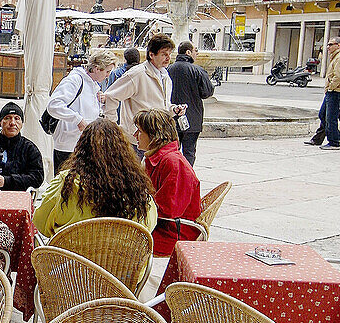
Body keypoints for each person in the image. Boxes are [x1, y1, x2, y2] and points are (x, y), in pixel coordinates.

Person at [34, 119, 157, 238]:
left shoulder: (66, 182)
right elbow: (148, 225)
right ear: (123, 149)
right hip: (121, 257)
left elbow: (40, 221)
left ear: (82, 148)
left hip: (72, 256)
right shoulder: (135, 186)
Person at [134, 109, 200, 259]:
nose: (135, 135)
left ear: (154, 136)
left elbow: (167, 210)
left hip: (171, 234)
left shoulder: (173, 164)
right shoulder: (156, 159)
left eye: (139, 131)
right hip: (161, 226)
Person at [103, 34, 186, 148]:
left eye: (169, 54)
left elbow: (162, 105)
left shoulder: (165, 76)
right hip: (136, 140)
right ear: (151, 54)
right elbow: (111, 96)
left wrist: (173, 109)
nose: (168, 58)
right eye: (164, 54)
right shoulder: (137, 74)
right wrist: (113, 128)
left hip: (157, 139)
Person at [46, 50, 114, 172]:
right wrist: (77, 119)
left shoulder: (93, 84)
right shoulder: (75, 80)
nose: (108, 75)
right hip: (68, 145)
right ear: (97, 68)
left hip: (83, 144)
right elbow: (54, 105)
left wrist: (101, 102)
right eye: (107, 71)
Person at [167, 41, 215, 165]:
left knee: (172, 150)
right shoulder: (198, 70)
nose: (197, 53)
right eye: (195, 50)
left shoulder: (167, 70)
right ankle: (187, 178)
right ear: (188, 52)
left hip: (172, 117)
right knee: (189, 152)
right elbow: (207, 92)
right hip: (192, 118)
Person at [309, 36, 340, 150]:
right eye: (328, 44)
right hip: (334, 91)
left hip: (336, 91)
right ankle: (337, 136)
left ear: (338, 45)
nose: (328, 47)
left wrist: (331, 87)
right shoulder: (337, 56)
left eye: (330, 44)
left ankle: (334, 142)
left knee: (331, 118)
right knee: (322, 115)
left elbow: (339, 76)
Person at [306, 67, 340, 146]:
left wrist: (330, 88)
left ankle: (333, 138)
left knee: (326, 117)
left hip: (337, 92)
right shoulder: (338, 58)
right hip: (339, 93)